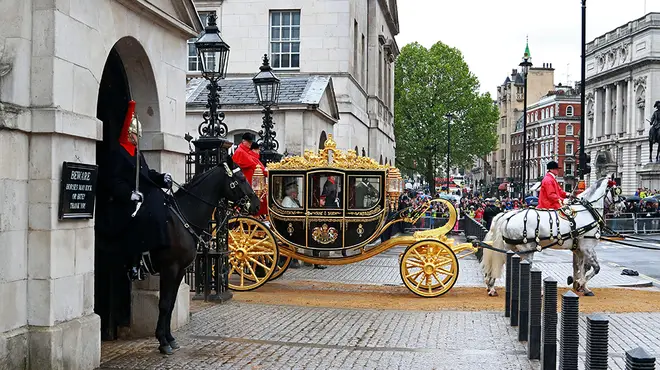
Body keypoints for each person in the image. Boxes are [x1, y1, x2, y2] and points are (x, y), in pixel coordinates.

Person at [97, 100, 173, 281]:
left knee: (159, 205)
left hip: (140, 198)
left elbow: (147, 174)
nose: (138, 138)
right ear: (130, 134)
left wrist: (162, 178)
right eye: (137, 135)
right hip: (123, 202)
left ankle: (154, 254)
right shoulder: (118, 153)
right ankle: (134, 263)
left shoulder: (136, 153)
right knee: (139, 220)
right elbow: (113, 180)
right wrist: (129, 194)